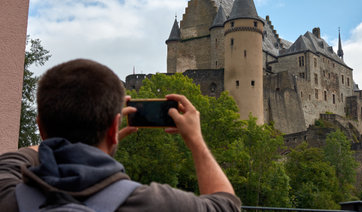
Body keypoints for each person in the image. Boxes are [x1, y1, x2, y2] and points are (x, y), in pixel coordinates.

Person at [0, 59, 240, 211]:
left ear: (41, 127)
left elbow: (14, 160)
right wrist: (196, 141)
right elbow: (226, 204)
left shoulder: (7, 193)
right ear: (114, 128)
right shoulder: (155, 203)